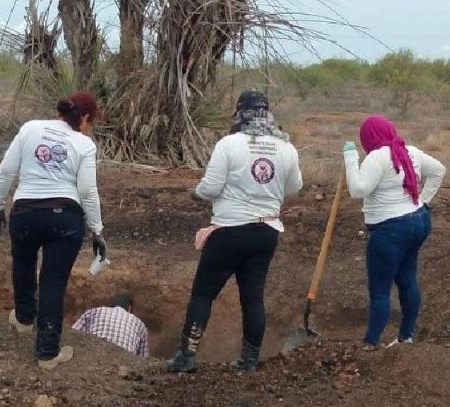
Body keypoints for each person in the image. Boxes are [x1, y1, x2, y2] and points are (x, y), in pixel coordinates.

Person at [166, 89, 303, 373]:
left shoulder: (229, 144)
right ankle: (249, 360)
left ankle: (186, 357)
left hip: (230, 231)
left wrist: (197, 192)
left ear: (240, 112)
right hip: (266, 231)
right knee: (252, 297)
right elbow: (294, 188)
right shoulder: (286, 147)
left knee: (203, 294)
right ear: (267, 113)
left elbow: (211, 186)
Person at [0, 92, 107, 371]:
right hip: (64, 219)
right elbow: (87, 191)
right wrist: (97, 231)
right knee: (53, 282)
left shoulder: (30, 128)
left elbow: (6, 171)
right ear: (85, 118)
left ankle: (24, 319)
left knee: (23, 262)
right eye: (92, 122)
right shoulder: (84, 144)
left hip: (24, 213)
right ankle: (47, 353)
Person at [342, 115, 445, 350]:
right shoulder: (410, 151)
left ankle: (370, 343)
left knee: (379, 289)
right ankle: (405, 337)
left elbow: (358, 190)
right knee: (407, 279)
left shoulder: (377, 157)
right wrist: (424, 201)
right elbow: (439, 170)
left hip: (390, 230)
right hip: (418, 221)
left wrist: (350, 158)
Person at [72, 293, 149, 357]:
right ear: (129, 308)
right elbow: (144, 360)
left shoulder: (94, 312)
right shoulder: (140, 325)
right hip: (124, 367)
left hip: (92, 358)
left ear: (109, 305)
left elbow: (73, 334)